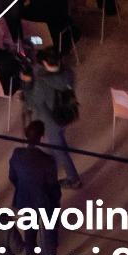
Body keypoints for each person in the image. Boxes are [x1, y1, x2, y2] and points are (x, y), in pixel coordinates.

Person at [21, 49, 81, 187]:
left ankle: (73, 179)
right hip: (67, 113)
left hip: (50, 121)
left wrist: (27, 85)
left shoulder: (42, 82)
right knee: (59, 139)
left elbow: (32, 103)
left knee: (60, 150)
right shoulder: (68, 73)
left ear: (45, 63)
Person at [9, 121, 63, 252]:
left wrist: (23, 188)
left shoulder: (17, 153)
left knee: (29, 233)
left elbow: (12, 177)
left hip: (25, 198)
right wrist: (56, 199)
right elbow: (52, 185)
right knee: (50, 233)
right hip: (44, 201)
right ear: (42, 136)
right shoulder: (48, 160)